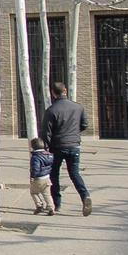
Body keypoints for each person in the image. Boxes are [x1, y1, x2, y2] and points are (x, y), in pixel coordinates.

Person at [41, 81, 93, 216]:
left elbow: (46, 133)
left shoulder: (51, 110)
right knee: (74, 174)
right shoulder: (78, 107)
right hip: (74, 145)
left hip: (57, 146)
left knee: (54, 175)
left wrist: (45, 147)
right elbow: (84, 125)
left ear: (53, 93)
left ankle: (56, 204)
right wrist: (74, 133)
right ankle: (85, 196)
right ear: (65, 91)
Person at [29, 138, 55, 215]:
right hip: (47, 177)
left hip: (38, 178)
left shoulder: (35, 157)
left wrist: (32, 176)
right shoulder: (49, 155)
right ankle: (51, 208)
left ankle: (39, 205)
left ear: (33, 147)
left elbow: (35, 169)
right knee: (47, 194)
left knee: (33, 192)